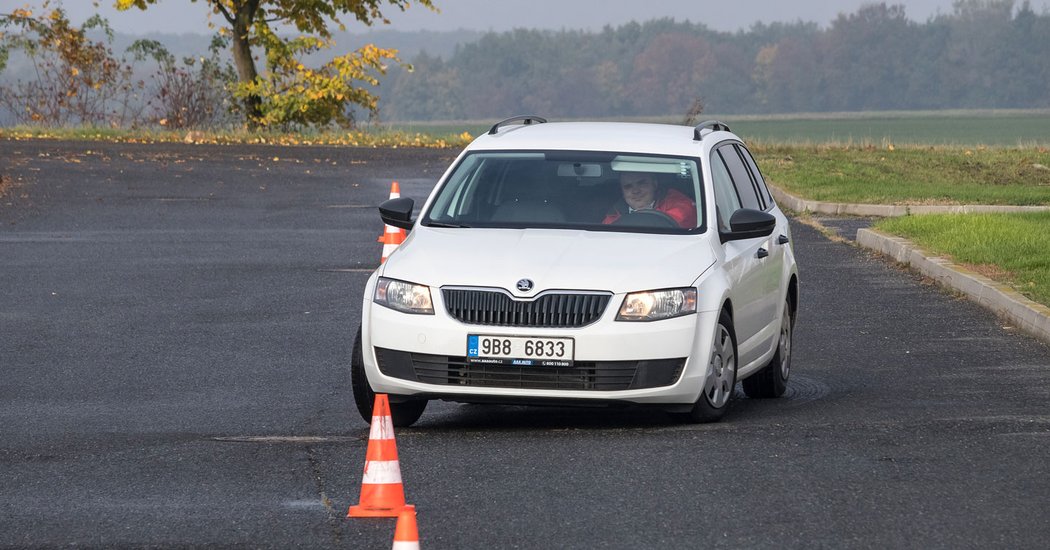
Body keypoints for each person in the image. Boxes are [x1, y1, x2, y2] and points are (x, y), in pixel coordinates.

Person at [602, 172, 697, 228]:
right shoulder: (612, 217)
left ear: (654, 184)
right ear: (622, 192)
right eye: (628, 187)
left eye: (641, 183)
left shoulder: (679, 204)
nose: (635, 191)